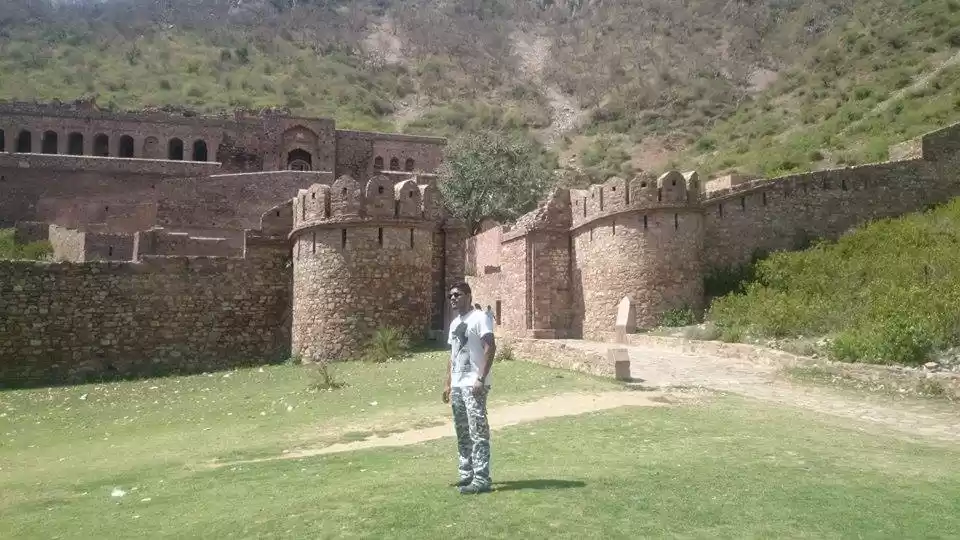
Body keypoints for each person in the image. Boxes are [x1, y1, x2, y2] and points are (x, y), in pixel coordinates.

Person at [442, 282, 496, 494]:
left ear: (469, 296)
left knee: (478, 431)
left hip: (474, 384)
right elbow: (452, 355)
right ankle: (467, 475)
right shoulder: (455, 323)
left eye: (457, 294)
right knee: (463, 432)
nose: (453, 298)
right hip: (458, 384)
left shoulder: (480, 318)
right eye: (450, 295)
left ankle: (482, 478)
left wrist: (481, 378)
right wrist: (448, 382)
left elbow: (490, 346)